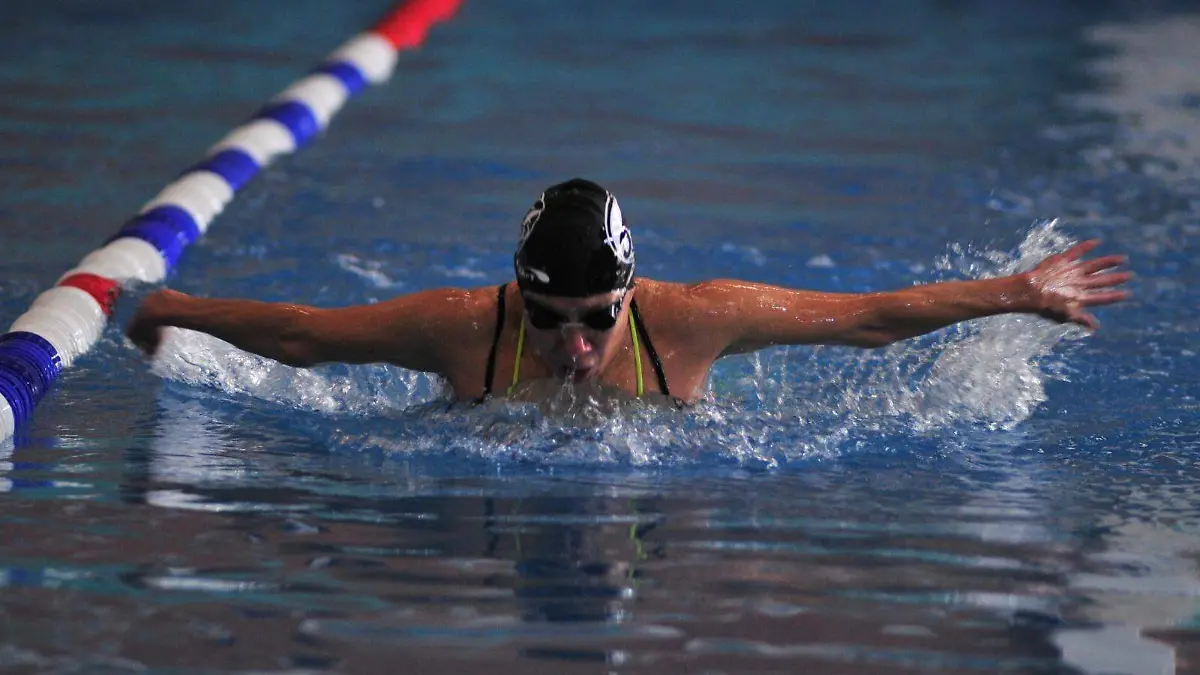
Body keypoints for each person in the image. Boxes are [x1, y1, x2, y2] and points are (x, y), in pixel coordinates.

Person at [126, 178, 1131, 406]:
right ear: (515, 297)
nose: (573, 342)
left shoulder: (692, 320)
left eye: (596, 317)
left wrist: (1013, 290)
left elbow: (865, 320)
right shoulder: (461, 328)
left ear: (633, 291)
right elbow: (306, 338)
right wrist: (172, 306)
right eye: (547, 317)